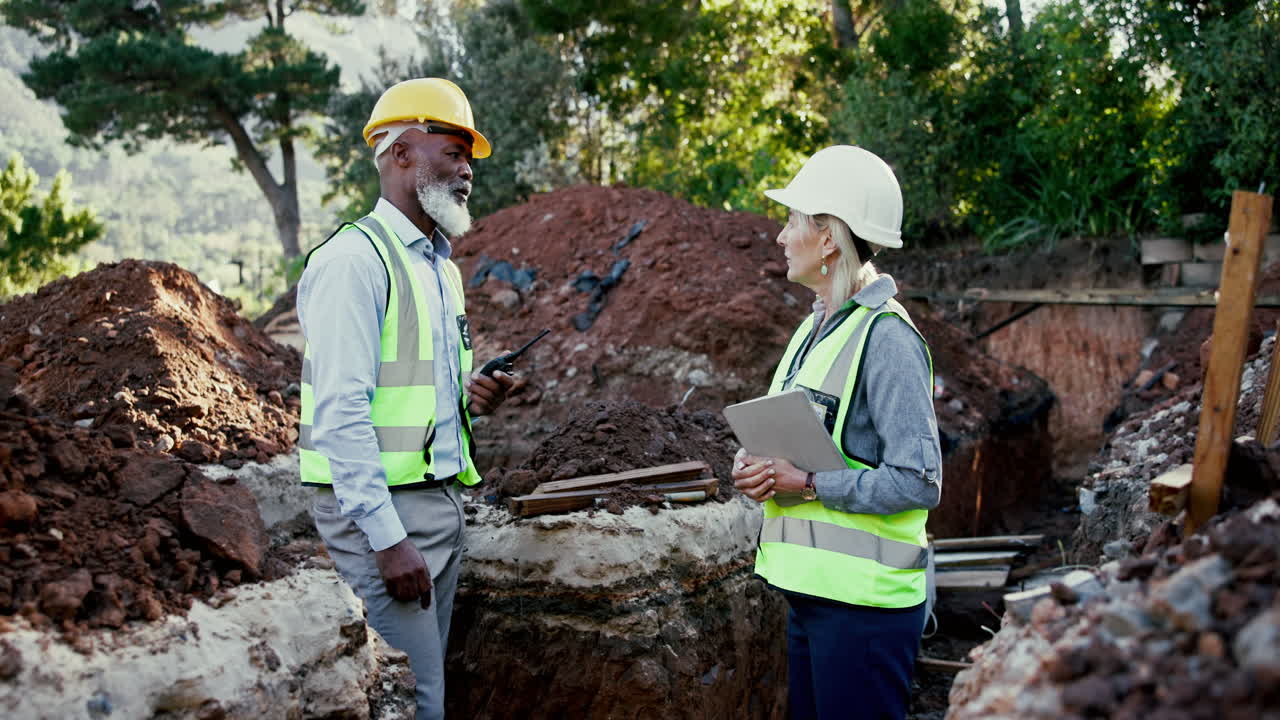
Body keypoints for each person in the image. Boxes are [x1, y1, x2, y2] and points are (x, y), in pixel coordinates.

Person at [296, 77, 515, 720]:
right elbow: (341, 411)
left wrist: (474, 399)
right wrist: (387, 540)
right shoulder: (353, 261)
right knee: (411, 702)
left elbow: (411, 398)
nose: (467, 169)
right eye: (452, 151)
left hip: (437, 503)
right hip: (383, 516)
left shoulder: (439, 268)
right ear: (400, 155)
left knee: (428, 690)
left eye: (469, 156)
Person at [731, 145, 942, 720]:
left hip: (865, 608)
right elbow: (793, 438)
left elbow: (920, 482)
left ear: (828, 239)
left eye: (792, 221)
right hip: (814, 596)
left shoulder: (889, 340)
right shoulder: (812, 328)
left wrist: (808, 483)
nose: (779, 236)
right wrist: (753, 465)